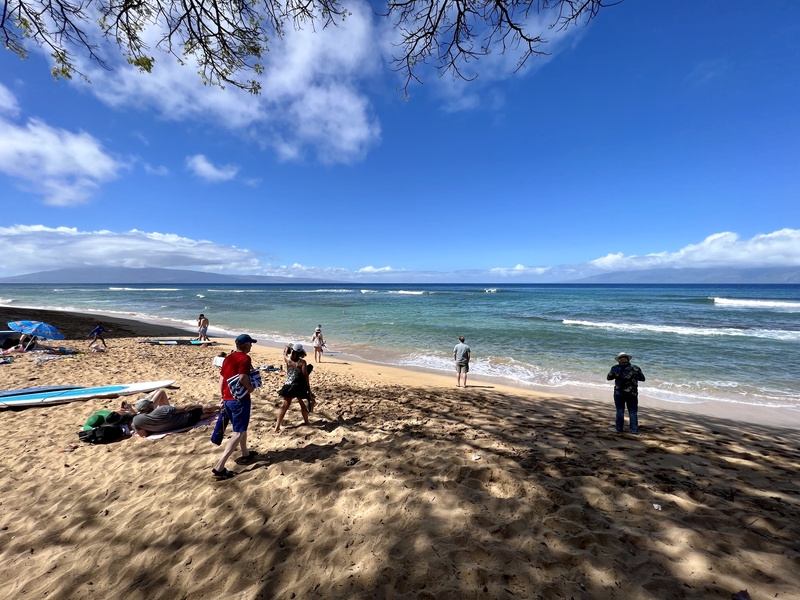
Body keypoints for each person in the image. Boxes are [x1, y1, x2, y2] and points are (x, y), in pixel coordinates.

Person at [213, 334, 259, 479]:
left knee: (242, 428)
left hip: (227, 399)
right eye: (250, 343)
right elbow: (243, 378)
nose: (251, 346)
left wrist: (222, 397)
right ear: (245, 345)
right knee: (238, 433)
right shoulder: (245, 358)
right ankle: (219, 467)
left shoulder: (228, 358)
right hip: (240, 400)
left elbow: (222, 379)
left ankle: (245, 453)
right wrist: (250, 388)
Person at [131, 391, 218, 437]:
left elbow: (144, 435)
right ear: (147, 407)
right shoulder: (162, 409)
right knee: (205, 410)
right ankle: (218, 408)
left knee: (202, 417)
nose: (152, 403)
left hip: (174, 425)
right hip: (186, 419)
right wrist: (197, 405)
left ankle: (216, 411)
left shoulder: (136, 420)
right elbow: (185, 408)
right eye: (150, 403)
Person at [275, 343, 314, 432]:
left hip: (288, 385)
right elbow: (305, 376)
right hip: (298, 385)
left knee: (284, 407)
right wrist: (309, 389)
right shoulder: (302, 362)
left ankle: (277, 426)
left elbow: (284, 354)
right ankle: (306, 422)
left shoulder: (288, 360)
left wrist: (286, 348)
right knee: (303, 405)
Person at [607, 352, 646, 434]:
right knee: (633, 411)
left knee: (620, 410)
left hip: (619, 392)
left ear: (619, 360)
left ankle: (619, 428)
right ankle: (634, 430)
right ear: (628, 359)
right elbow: (642, 378)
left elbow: (609, 378)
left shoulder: (615, 368)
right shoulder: (636, 368)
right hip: (632, 393)